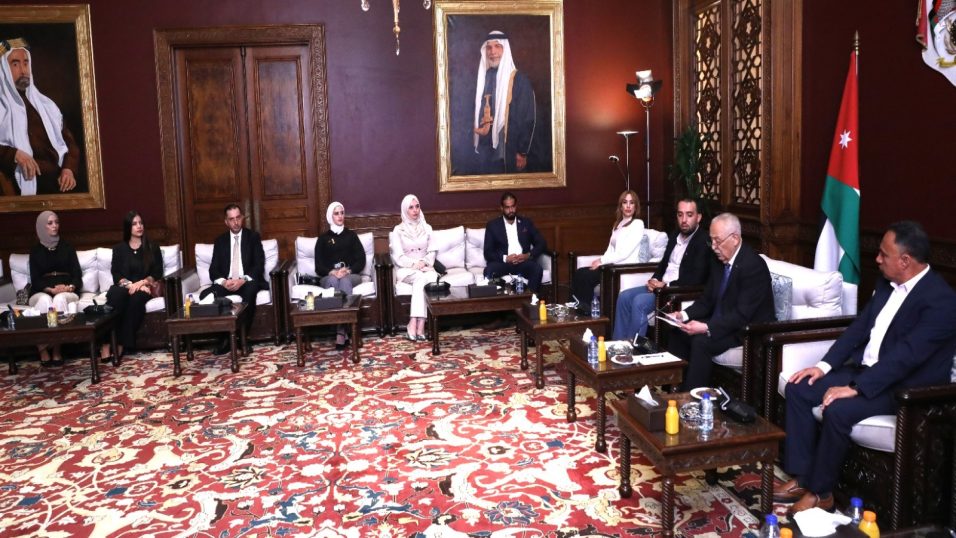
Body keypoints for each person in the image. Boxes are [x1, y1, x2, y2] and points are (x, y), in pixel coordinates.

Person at [774, 221, 956, 515]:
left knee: (837, 409)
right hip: (866, 371)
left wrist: (855, 388)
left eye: (884, 254)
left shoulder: (942, 301)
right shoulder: (885, 284)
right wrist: (823, 366)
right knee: (800, 388)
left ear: (905, 260)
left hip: (904, 388)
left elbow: (907, 357)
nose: (877, 259)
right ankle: (804, 477)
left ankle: (821, 494)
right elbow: (858, 329)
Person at [665, 212, 776, 390]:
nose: (714, 247)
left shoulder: (753, 266)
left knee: (701, 342)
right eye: (712, 241)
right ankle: (671, 390)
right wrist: (683, 315)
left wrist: (706, 327)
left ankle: (691, 398)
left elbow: (742, 315)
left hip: (747, 331)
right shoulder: (719, 260)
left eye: (718, 241)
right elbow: (707, 299)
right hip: (723, 320)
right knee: (678, 332)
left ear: (735, 239)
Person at [611, 198, 712, 340]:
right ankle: (618, 345)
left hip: (674, 291)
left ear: (698, 217)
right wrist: (654, 280)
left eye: (689, 215)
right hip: (661, 286)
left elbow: (696, 278)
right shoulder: (675, 235)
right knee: (624, 297)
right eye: (680, 214)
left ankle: (633, 348)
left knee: (639, 302)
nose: (684, 220)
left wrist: (666, 285)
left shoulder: (703, 241)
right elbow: (663, 264)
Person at [0, 38, 81, 196]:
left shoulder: (47, 106)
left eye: (26, 63)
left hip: (58, 183)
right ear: (2, 69)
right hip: (18, 186)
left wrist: (68, 169)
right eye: (15, 64)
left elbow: (70, 144)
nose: (23, 71)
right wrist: (14, 154)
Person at [204, 204, 268, 355]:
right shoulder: (220, 241)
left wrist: (242, 280)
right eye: (231, 219)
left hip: (247, 281)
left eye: (238, 218)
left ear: (242, 218)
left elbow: (258, 265)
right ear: (226, 222)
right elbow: (213, 270)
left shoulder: (253, 237)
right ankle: (226, 337)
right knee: (206, 295)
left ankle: (242, 338)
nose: (236, 222)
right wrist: (224, 282)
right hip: (227, 282)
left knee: (250, 292)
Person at [100, 210, 163, 362]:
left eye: (141, 223)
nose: (139, 226)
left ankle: (121, 343)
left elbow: (157, 272)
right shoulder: (119, 249)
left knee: (135, 301)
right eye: (134, 224)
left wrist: (142, 283)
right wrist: (131, 285)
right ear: (128, 227)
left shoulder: (152, 247)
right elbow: (116, 274)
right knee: (116, 297)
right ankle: (105, 342)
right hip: (124, 286)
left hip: (144, 288)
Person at [470, 31, 536, 174]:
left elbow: (527, 118)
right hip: (486, 148)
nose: (492, 52)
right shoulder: (484, 77)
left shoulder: (519, 80)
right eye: (489, 47)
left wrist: (522, 151)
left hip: (508, 149)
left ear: (505, 49)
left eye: (497, 46)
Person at [571, 190, 644, 314]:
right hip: (611, 265)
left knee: (587, 277)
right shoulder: (618, 224)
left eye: (631, 203)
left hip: (622, 268)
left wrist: (602, 260)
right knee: (580, 273)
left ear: (636, 206)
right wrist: (600, 262)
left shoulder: (637, 224)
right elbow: (610, 249)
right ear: (620, 206)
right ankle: (574, 308)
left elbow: (624, 253)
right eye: (625, 202)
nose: (628, 206)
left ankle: (587, 312)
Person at [29, 210, 81, 366]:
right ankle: (43, 349)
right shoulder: (35, 251)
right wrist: (50, 290)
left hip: (66, 290)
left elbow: (77, 274)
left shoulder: (67, 247)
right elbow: (35, 279)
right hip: (42, 291)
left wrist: (69, 287)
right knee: (45, 301)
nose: (55, 226)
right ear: (41, 226)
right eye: (50, 223)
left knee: (59, 299)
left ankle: (57, 349)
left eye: (57, 222)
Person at [316, 201, 366, 350]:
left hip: (351, 275)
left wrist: (348, 270)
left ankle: (341, 330)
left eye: (342, 213)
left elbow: (361, 260)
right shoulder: (323, 239)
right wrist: (332, 271)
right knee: (333, 280)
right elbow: (318, 266)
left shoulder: (351, 236)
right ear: (330, 216)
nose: (340, 216)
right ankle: (344, 329)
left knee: (344, 281)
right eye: (336, 213)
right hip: (329, 275)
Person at [390, 194, 438, 342]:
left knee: (425, 278)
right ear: (405, 210)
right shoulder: (398, 230)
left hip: (426, 267)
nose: (415, 210)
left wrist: (424, 262)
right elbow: (398, 257)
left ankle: (415, 323)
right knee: (420, 277)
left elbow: (432, 251)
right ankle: (419, 324)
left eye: (417, 206)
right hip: (407, 269)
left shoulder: (427, 228)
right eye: (411, 207)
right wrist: (414, 264)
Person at [483, 191, 548, 293]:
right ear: (502, 208)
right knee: (489, 270)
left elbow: (541, 243)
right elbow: (488, 252)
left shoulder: (526, 223)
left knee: (537, 269)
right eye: (507, 207)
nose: (511, 210)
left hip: (523, 263)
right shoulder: (493, 225)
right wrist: (506, 258)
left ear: (516, 206)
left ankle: (530, 298)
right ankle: (501, 299)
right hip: (503, 264)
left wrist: (528, 255)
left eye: (513, 207)